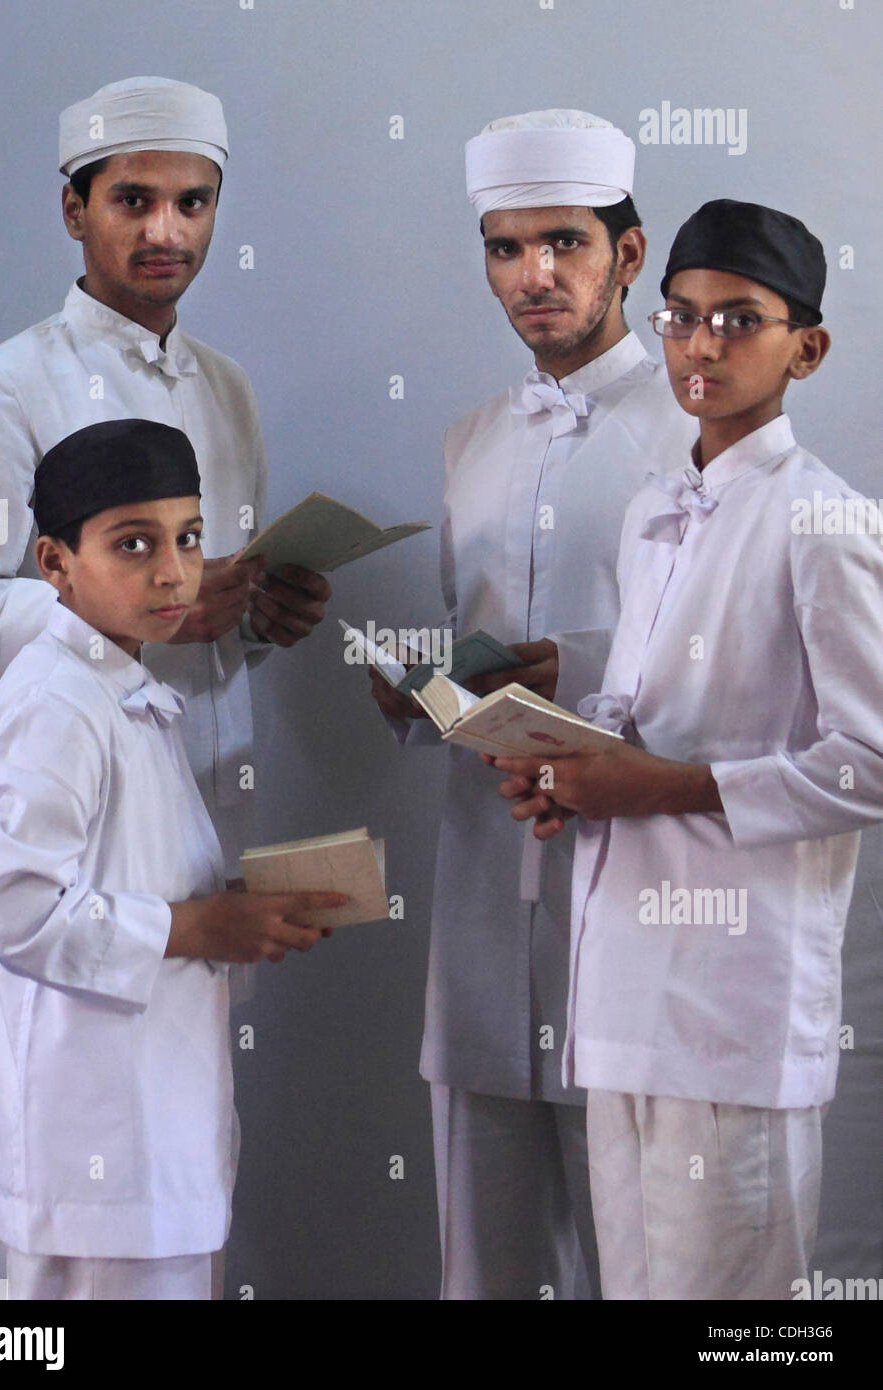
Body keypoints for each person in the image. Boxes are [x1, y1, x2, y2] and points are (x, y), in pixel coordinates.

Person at [0, 76, 330, 1287]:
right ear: (72, 210)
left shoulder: (227, 389)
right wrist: (108, 609)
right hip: (53, 884)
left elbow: (196, 603)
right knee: (20, 1220)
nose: (165, 231)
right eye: (133, 199)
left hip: (193, 867)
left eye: (192, 202)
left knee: (164, 1215)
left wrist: (255, 615)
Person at [490, 199, 883, 1299]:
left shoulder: (824, 521)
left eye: (738, 321)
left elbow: (874, 757)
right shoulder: (655, 510)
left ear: (805, 348)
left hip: (731, 1003)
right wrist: (567, 768)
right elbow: (641, 705)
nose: (701, 345)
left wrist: (668, 787)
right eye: (680, 317)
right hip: (620, 991)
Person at [369, 109, 695, 1299]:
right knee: (483, 1264)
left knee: (644, 1260)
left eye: (562, 241)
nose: (532, 274)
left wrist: (571, 660)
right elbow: (476, 649)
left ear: (629, 251)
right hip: (480, 887)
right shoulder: (471, 439)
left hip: (635, 881)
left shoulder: (701, 430)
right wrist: (417, 685)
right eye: (504, 248)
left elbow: (732, 656)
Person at [0, 418, 344, 1300]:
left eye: (190, 538)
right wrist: (200, 924)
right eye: (133, 544)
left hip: (149, 1137)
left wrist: (233, 906)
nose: (174, 571)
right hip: (100, 1147)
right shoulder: (57, 700)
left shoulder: (120, 681)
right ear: (54, 563)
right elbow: (19, 911)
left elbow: (126, 875)